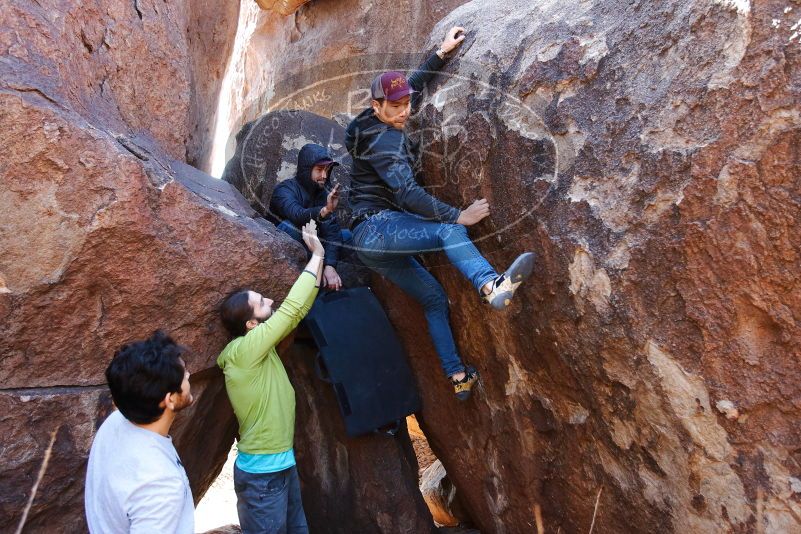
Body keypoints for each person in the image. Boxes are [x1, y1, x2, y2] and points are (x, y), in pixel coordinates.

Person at [344, 26, 536, 400]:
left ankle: (458, 376)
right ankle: (491, 285)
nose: (404, 112)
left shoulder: (369, 121)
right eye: (395, 107)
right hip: (378, 229)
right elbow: (407, 192)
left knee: (433, 297)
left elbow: (409, 86)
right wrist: (457, 215)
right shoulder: (383, 141)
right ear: (376, 106)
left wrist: (441, 54)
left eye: (405, 105)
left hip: (371, 243)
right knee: (450, 232)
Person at [217, 220, 325, 534]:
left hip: (280, 465)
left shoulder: (260, 351)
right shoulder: (244, 351)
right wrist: (315, 256)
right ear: (251, 324)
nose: (271, 302)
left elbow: (299, 309)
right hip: (262, 476)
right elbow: (291, 309)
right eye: (263, 303)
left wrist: (320, 259)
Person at [85, 331, 195, 534]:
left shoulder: (115, 423)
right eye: (184, 373)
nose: (188, 375)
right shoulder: (160, 484)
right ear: (169, 399)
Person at [270, 143, 348, 291]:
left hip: (316, 246)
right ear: (306, 170)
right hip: (285, 249)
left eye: (327, 170)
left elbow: (332, 231)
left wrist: (330, 265)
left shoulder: (324, 192)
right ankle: (308, 279)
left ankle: (336, 282)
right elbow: (297, 215)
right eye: (319, 170)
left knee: (348, 237)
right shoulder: (284, 190)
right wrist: (325, 210)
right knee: (290, 227)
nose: (324, 175)